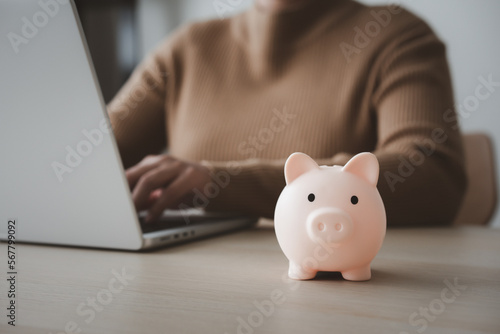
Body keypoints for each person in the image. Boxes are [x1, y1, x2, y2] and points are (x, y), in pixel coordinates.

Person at [107, 0, 467, 226]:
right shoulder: (185, 48)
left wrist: (219, 181)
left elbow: (432, 174)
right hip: (188, 287)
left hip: (338, 295)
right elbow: (86, 160)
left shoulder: (396, 37)